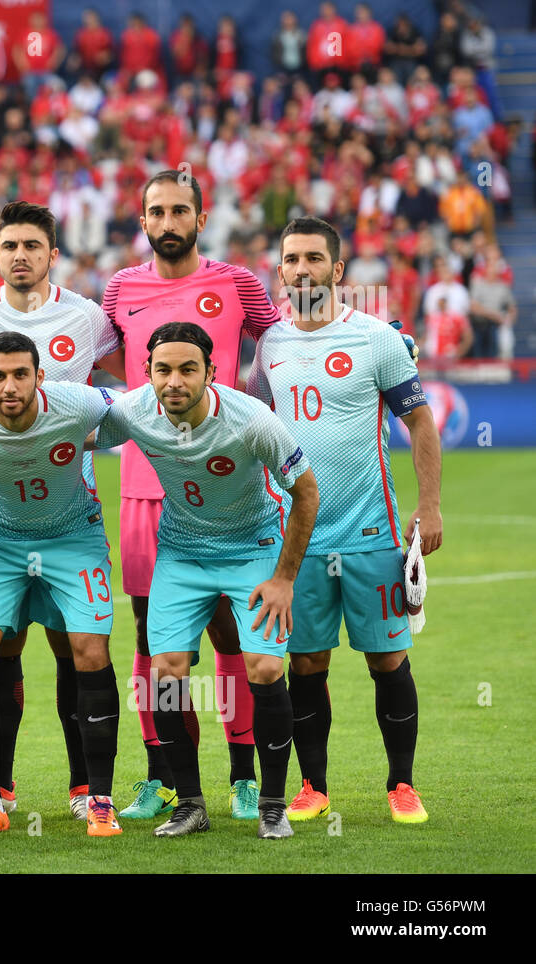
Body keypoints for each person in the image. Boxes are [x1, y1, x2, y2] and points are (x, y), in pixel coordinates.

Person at [0, 201, 122, 821]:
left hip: (71, 510)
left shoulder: (87, 317)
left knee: (76, 651)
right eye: (9, 245)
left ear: (52, 254)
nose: (20, 256)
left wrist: (88, 441)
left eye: (32, 246)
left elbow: (122, 400)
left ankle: (88, 790)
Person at [247, 217, 442, 824]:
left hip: (371, 534)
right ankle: (314, 786)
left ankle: (402, 785)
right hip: (296, 544)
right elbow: (256, 427)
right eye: (290, 259)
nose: (301, 268)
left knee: (387, 659)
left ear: (337, 270)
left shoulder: (376, 339)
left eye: (313, 258)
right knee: (307, 663)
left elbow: (421, 422)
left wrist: (429, 504)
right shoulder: (270, 347)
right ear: (279, 271)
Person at [92, 321, 320, 840]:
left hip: (253, 549)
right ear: (147, 373)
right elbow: (81, 431)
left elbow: (305, 491)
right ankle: (190, 804)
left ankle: (272, 805)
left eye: (188, 369)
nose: (175, 380)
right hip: (181, 552)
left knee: (263, 667)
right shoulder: (132, 411)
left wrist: (284, 579)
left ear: (212, 373)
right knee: (166, 672)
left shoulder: (252, 420)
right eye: (163, 369)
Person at [101, 171, 279, 822]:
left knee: (235, 637)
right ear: (141, 220)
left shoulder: (237, 285)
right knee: (153, 643)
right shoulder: (120, 289)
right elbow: (87, 367)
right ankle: (165, 778)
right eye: (156, 211)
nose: (168, 220)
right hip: (145, 494)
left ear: (200, 218)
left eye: (180, 210)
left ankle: (244, 775)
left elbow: (283, 349)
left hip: (231, 494)